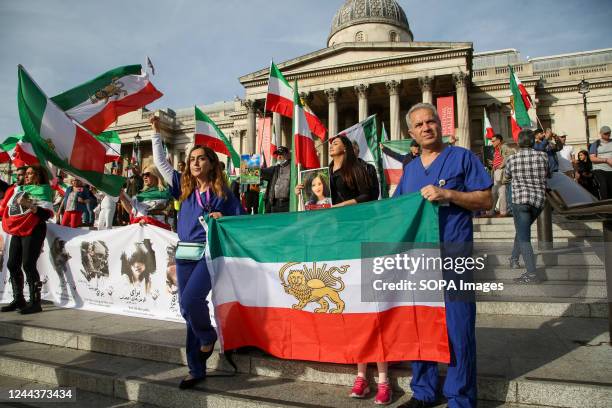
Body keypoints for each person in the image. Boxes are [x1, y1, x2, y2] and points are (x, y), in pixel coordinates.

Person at [393, 103, 492, 408]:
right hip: (420, 261)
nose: (426, 128)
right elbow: (397, 213)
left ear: (440, 124)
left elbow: (486, 198)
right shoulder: (409, 171)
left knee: (458, 328)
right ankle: (422, 391)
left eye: (430, 121)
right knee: (420, 323)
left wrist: (448, 194)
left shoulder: (463, 157)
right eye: (419, 124)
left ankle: (460, 398)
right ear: (411, 133)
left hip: (454, 254)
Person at [150, 116, 244, 389]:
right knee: (185, 308)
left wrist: (220, 218)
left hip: (207, 254)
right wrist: (156, 134)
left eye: (201, 158)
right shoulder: (183, 186)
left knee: (192, 301)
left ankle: (208, 336)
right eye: (192, 158)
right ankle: (196, 368)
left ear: (211, 163)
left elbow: (238, 221)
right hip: (184, 254)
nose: (195, 162)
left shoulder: (224, 194)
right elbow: (161, 164)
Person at [0, 165, 54, 314]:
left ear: (38, 176)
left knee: (28, 264)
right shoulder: (19, 190)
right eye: (27, 174)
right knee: (12, 264)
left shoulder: (44, 190)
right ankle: (19, 299)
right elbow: (11, 207)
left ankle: (35, 302)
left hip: (34, 229)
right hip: (18, 228)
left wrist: (30, 205)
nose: (27, 176)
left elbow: (47, 214)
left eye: (31, 173)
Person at [505, 129, 549, 284]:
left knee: (524, 237)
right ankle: (514, 258)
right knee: (522, 231)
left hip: (521, 201)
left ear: (518, 142)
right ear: (533, 142)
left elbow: (507, 176)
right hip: (538, 201)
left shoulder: (512, 159)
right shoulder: (543, 156)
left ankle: (531, 274)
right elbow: (547, 174)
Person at [119, 165, 172, 230]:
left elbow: (164, 213)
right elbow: (132, 211)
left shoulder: (165, 193)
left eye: (147, 174)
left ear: (156, 175)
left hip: (158, 231)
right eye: (143, 175)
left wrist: (147, 220)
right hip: (140, 229)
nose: (144, 177)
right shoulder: (140, 195)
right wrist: (122, 198)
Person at [487, 134, 514, 217]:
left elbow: (511, 153)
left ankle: (503, 212)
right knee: (494, 192)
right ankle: (491, 212)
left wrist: (502, 165)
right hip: (496, 172)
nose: (492, 142)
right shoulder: (496, 150)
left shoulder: (504, 146)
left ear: (499, 141)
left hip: (500, 172)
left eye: (493, 141)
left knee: (501, 192)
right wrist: (493, 163)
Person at [261, 146, 291, 213]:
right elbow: (261, 172)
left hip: (288, 204)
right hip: (275, 203)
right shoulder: (275, 168)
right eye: (277, 155)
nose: (279, 157)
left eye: (281, 154)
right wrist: (248, 163)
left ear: (288, 154)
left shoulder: (293, 168)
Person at [589, 125, 612, 200]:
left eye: (609, 133)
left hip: (611, 170)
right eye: (605, 133)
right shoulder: (596, 144)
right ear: (601, 134)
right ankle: (604, 205)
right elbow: (592, 158)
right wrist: (606, 160)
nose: (608, 134)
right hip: (599, 169)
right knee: (603, 185)